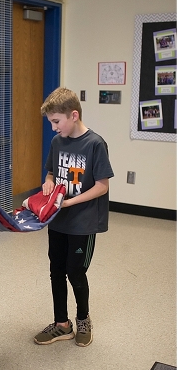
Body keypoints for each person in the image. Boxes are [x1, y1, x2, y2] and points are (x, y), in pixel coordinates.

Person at [34, 88, 113, 347]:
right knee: (56, 270)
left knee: (75, 272)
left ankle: (83, 319)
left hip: (83, 222)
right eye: (51, 123)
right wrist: (47, 184)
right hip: (57, 220)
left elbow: (102, 185)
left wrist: (70, 201)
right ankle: (61, 324)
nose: (54, 128)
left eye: (56, 122)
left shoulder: (95, 144)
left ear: (74, 115)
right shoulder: (57, 143)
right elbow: (50, 173)